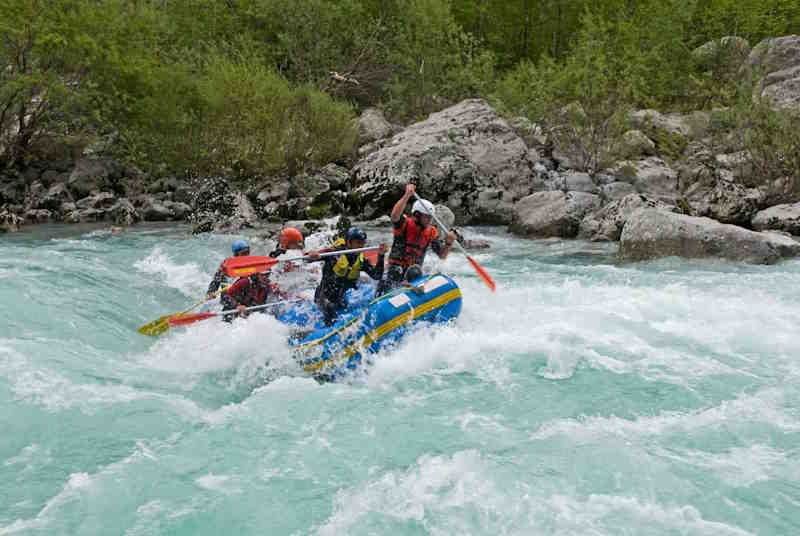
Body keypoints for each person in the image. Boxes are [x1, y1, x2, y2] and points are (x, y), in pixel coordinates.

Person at [376, 183, 457, 295]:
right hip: (396, 270)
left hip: (413, 273)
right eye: (427, 217)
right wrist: (407, 195)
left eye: (430, 217)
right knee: (395, 272)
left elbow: (442, 255)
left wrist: (448, 243)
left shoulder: (431, 232)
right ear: (417, 215)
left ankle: (411, 289)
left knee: (415, 271)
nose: (429, 220)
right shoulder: (404, 224)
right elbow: (394, 215)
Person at [307, 227, 387, 326]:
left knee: (341, 304)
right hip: (322, 297)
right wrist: (312, 255)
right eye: (358, 243)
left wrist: (381, 256)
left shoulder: (360, 260)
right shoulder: (334, 253)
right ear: (349, 243)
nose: (361, 246)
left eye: (362, 243)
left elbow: (377, 275)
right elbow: (308, 258)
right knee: (330, 308)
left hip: (340, 299)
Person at [220, 270, 287, 320]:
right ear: (257, 274)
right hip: (233, 312)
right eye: (262, 275)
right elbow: (224, 295)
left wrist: (283, 294)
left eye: (267, 275)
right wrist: (237, 305)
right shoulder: (245, 282)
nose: (265, 277)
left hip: (250, 315)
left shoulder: (268, 286)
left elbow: (281, 298)